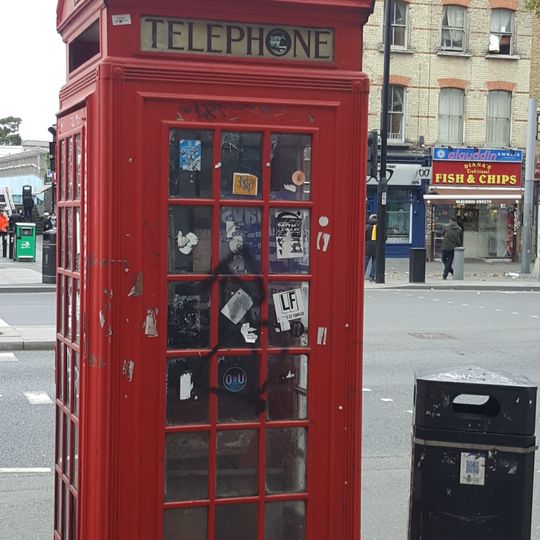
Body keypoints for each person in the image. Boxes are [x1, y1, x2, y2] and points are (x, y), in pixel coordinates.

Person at [365, 214, 377, 282]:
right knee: (375, 262)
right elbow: (385, 237)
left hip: (367, 247)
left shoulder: (366, 227)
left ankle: (362, 275)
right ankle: (372, 276)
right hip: (376, 247)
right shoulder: (379, 227)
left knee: (365, 262)